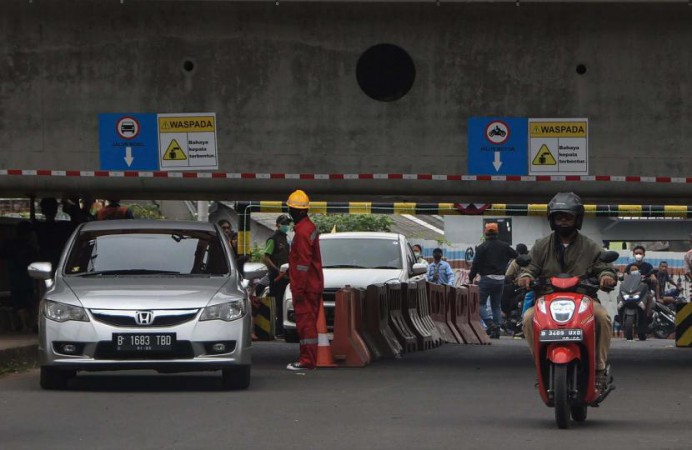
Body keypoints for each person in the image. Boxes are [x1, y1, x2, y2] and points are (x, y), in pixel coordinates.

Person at [518, 192, 616, 389]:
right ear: (552, 219)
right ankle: (541, 367)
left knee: (603, 318)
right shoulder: (541, 245)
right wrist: (525, 277)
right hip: (547, 299)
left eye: (568, 216)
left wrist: (606, 276)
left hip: (584, 299)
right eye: (559, 216)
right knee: (528, 318)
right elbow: (530, 267)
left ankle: (598, 369)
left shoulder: (590, 246)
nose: (563, 220)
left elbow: (603, 267)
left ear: (577, 219)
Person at [285, 190, 323, 371]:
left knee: (305, 325)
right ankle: (308, 357)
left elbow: (302, 264)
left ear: (299, 211)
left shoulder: (301, 232)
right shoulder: (308, 228)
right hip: (312, 284)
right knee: (308, 324)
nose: (289, 212)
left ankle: (307, 360)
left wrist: (298, 290)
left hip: (306, 287)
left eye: (291, 209)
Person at [468, 223, 518, 338]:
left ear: (485, 233)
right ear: (497, 233)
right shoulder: (505, 246)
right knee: (496, 306)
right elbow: (517, 256)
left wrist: (471, 277)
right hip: (500, 280)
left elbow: (475, 264)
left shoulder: (482, 247)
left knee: (479, 304)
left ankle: (490, 324)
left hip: (486, 280)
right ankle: (496, 330)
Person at [0, 221, 39, 332]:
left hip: (16, 277)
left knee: (20, 302)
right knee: (27, 301)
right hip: (26, 278)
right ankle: (27, 325)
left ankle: (26, 325)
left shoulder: (11, 244)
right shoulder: (29, 247)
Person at [261, 214, 292, 337]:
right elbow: (265, 257)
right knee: (277, 303)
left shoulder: (286, 238)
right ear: (277, 225)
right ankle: (277, 331)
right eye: (284, 224)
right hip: (276, 276)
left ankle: (282, 329)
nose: (286, 226)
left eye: (287, 224)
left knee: (284, 302)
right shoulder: (273, 239)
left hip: (285, 276)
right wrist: (276, 270)